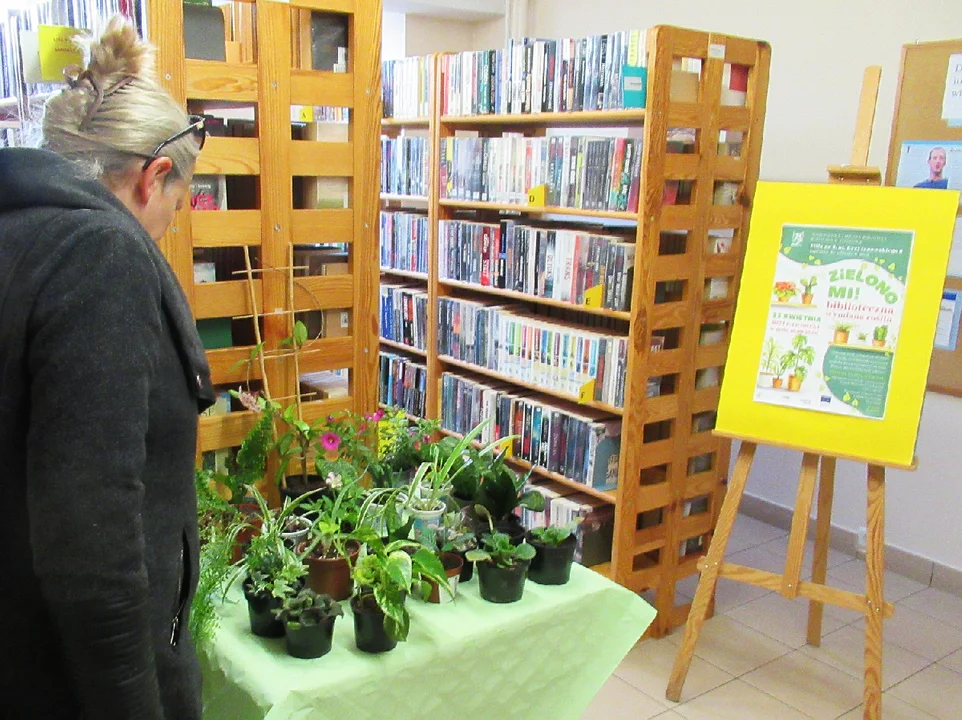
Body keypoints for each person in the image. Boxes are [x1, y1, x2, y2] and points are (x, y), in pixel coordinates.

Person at [0, 18, 212, 720]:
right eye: (174, 209)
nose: (167, 231)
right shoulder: (101, 256)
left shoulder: (22, 231)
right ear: (154, 178)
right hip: (80, 683)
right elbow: (89, 545)